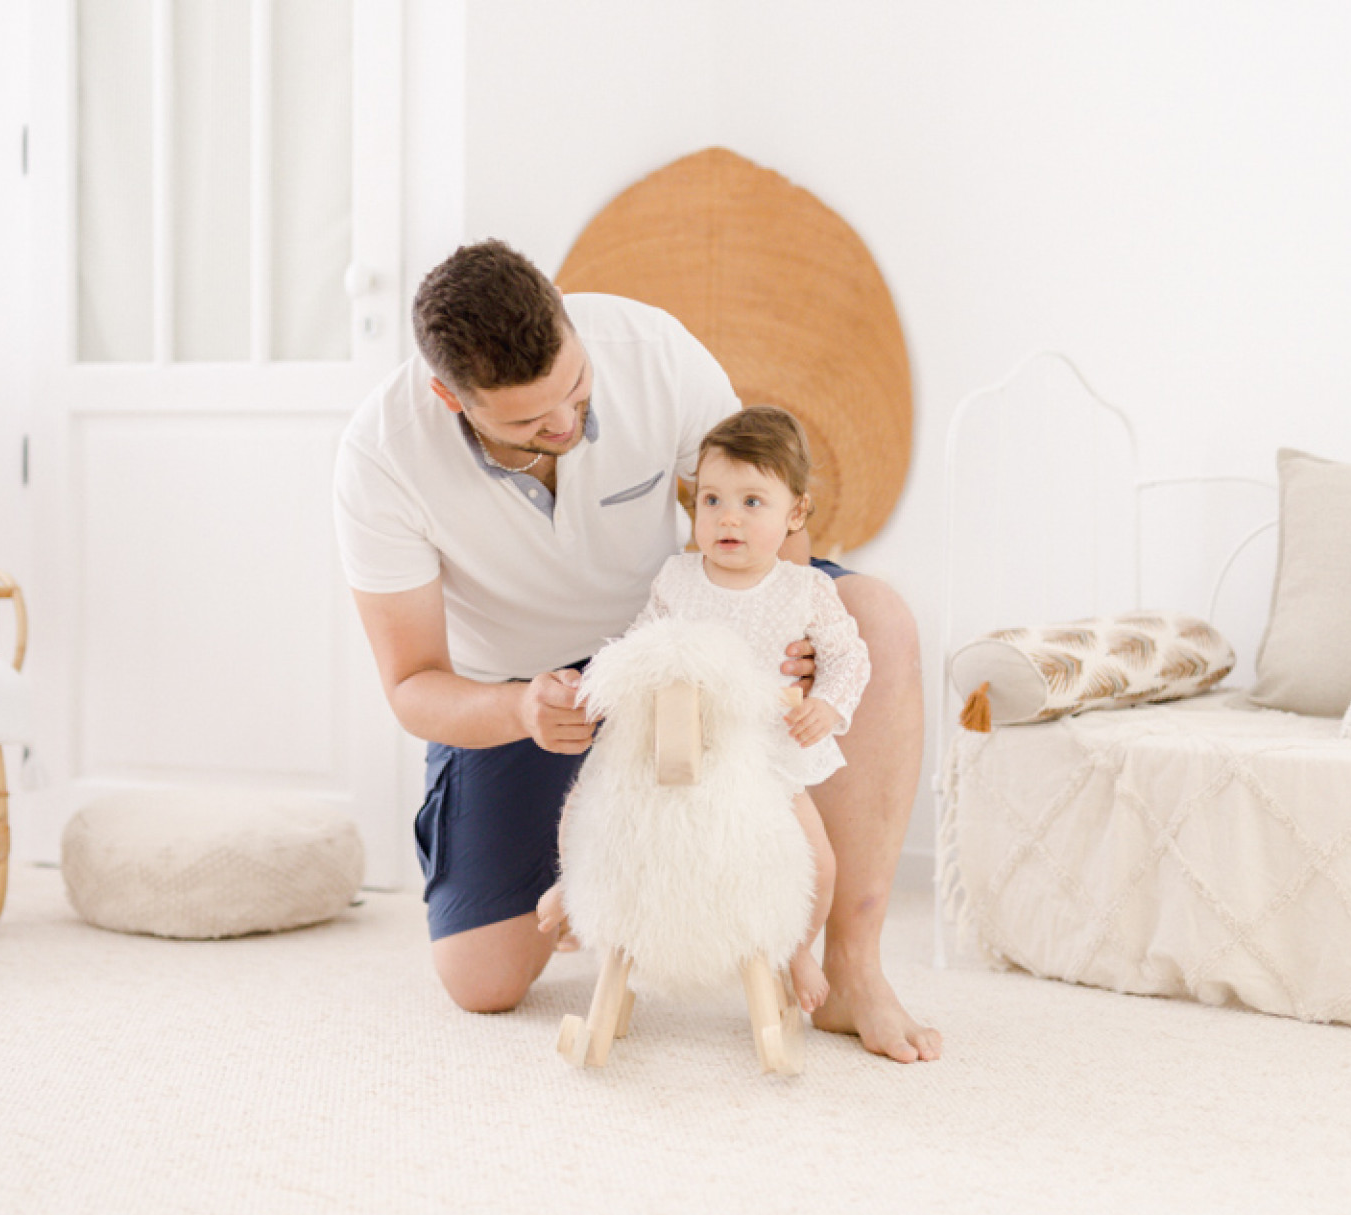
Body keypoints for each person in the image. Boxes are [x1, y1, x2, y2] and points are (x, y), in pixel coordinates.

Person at [333, 239, 940, 1063]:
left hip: (692, 634)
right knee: (481, 980)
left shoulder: (651, 352)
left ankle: (852, 970)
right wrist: (521, 708)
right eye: (528, 422)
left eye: (575, 391)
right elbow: (411, 684)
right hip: (529, 689)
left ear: (570, 326)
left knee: (879, 617)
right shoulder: (381, 458)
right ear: (450, 397)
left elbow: (759, 506)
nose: (564, 424)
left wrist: (782, 640)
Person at [535, 406, 865, 1013]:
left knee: (818, 863)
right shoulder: (678, 579)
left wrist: (828, 707)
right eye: (711, 500)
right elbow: (639, 644)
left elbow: (849, 658)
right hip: (675, 744)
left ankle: (793, 946)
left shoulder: (805, 589)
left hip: (763, 756)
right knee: (587, 798)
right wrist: (595, 686)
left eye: (752, 502)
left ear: (796, 512)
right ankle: (574, 888)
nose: (727, 518)